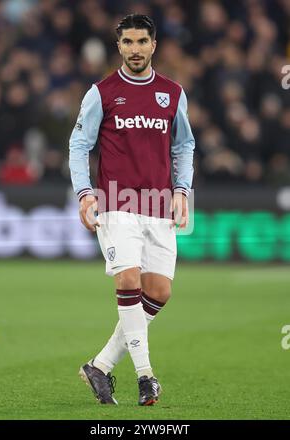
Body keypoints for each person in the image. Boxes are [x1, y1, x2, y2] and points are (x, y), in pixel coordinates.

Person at [69, 14, 195, 406]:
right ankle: (146, 377)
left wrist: (182, 189)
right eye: (128, 42)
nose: (136, 49)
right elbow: (78, 146)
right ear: (118, 46)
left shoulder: (173, 93)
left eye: (142, 41)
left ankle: (100, 366)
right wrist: (85, 193)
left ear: (153, 45)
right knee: (128, 281)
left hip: (159, 205)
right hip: (116, 203)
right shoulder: (101, 92)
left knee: (159, 291)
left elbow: (184, 145)